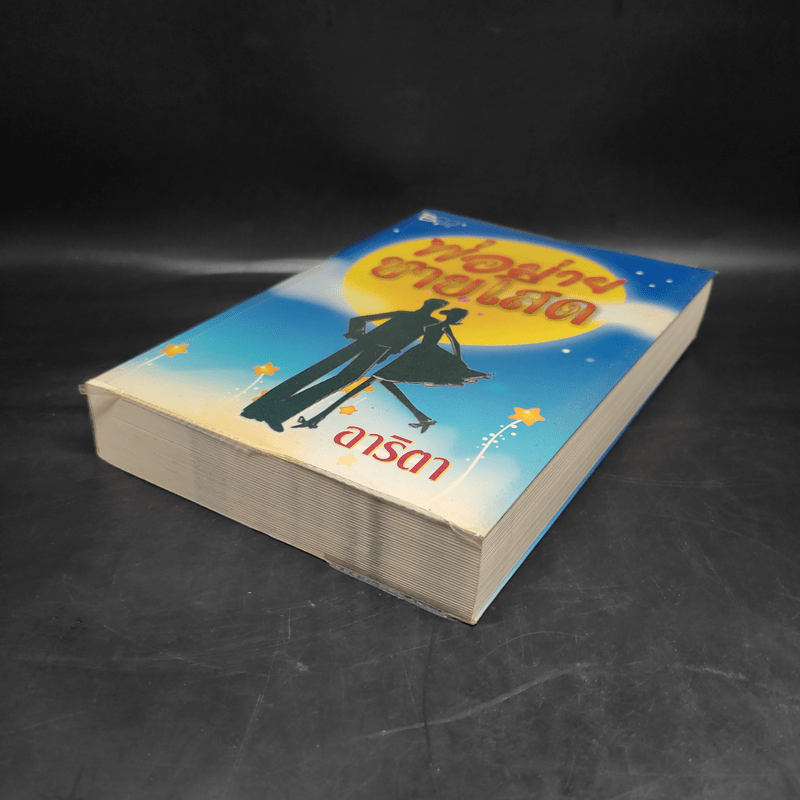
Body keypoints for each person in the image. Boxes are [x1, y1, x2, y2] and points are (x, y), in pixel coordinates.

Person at [241, 299, 450, 432]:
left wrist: (379, 346)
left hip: (378, 349)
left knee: (339, 378)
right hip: (371, 344)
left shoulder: (424, 322)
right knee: (321, 372)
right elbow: (361, 319)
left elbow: (364, 322)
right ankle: (258, 409)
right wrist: (359, 335)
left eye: (433, 307)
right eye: (431, 306)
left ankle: (276, 412)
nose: (430, 309)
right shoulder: (409, 316)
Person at [292, 307, 491, 432]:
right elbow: (454, 343)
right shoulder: (434, 323)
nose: (453, 319)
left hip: (423, 354)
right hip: (417, 353)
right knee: (381, 379)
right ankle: (421, 417)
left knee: (378, 379)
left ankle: (317, 418)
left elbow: (456, 344)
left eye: (454, 317)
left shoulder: (439, 325)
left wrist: (458, 363)